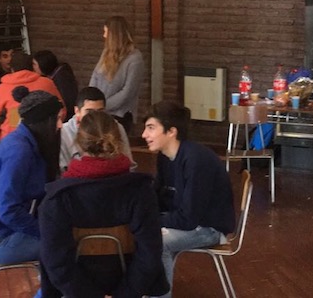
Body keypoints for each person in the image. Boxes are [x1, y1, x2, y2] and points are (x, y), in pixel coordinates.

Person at [39, 111, 168, 297]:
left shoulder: (58, 198)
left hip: (75, 289)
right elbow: (151, 252)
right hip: (129, 283)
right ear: (118, 140)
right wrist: (126, 293)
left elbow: (56, 261)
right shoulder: (140, 190)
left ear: (78, 143)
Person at [142, 100, 235, 298]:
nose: (144, 135)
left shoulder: (196, 160)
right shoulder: (165, 156)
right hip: (188, 222)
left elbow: (189, 219)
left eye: (151, 128)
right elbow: (157, 197)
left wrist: (151, 220)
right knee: (138, 234)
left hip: (209, 228)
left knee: (157, 242)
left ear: (171, 131)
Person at [0, 88, 63, 266]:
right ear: (43, 121)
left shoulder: (23, 140)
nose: (60, 125)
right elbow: (8, 211)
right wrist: (47, 232)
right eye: (56, 119)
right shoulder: (19, 151)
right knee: (70, 246)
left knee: (63, 234)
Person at [0, 51, 63, 140]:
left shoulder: (4, 87)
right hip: (44, 136)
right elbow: (61, 109)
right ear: (32, 67)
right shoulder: (47, 83)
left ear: (12, 69)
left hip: (12, 136)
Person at [59, 87, 136, 174]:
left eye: (100, 112)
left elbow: (129, 164)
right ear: (77, 111)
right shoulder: (64, 133)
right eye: (89, 112)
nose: (95, 117)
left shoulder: (115, 127)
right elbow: (61, 170)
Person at [89, 16, 144, 133]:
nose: (104, 36)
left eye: (106, 32)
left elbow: (127, 92)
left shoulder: (135, 58)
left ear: (114, 35)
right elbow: (95, 76)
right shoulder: (106, 53)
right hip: (99, 111)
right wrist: (91, 99)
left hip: (119, 114)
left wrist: (102, 106)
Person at [33, 50, 79, 120]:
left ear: (43, 64)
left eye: (34, 64)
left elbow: (68, 102)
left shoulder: (62, 78)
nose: (33, 67)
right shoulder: (55, 76)